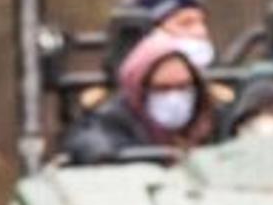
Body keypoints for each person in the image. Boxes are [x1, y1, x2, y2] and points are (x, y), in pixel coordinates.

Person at [63, 28, 227, 164]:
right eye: (162, 89)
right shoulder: (114, 120)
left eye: (183, 86)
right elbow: (88, 140)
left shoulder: (213, 120)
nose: (175, 97)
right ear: (140, 91)